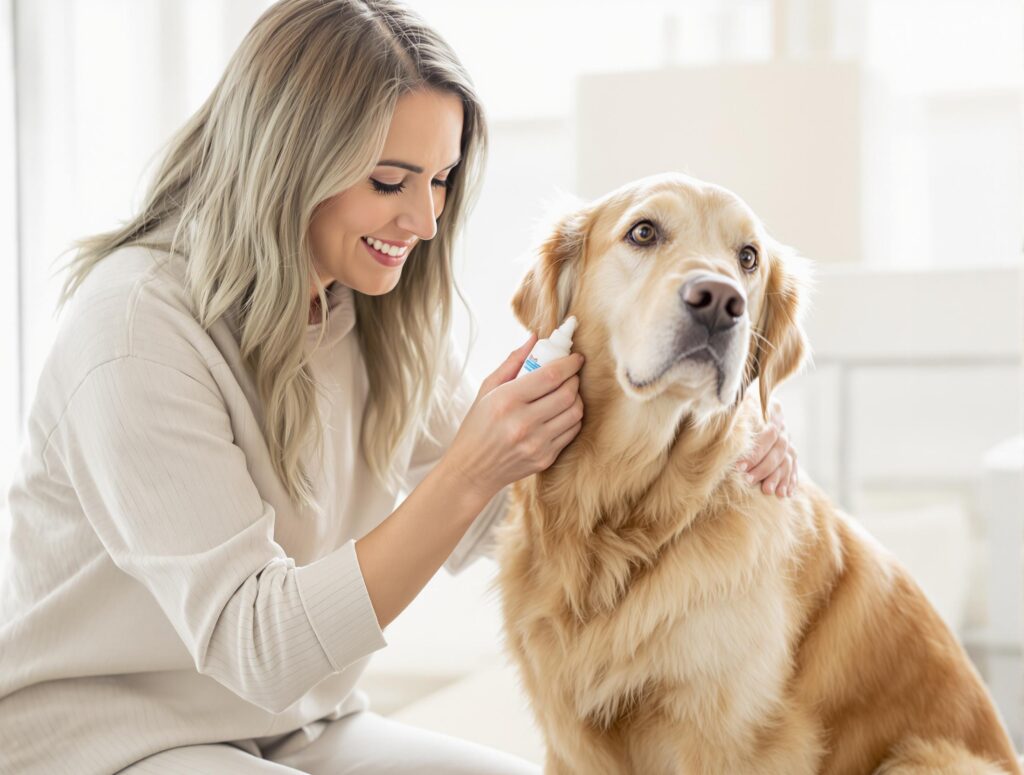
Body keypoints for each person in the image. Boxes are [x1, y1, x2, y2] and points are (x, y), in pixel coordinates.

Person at [0, 1, 798, 772]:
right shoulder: (132, 331)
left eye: (441, 180)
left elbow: (505, 520)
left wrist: (719, 454)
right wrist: (471, 466)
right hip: (101, 741)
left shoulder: (368, 310)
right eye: (390, 181)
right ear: (285, 164)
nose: (425, 220)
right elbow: (260, 647)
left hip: (296, 727)